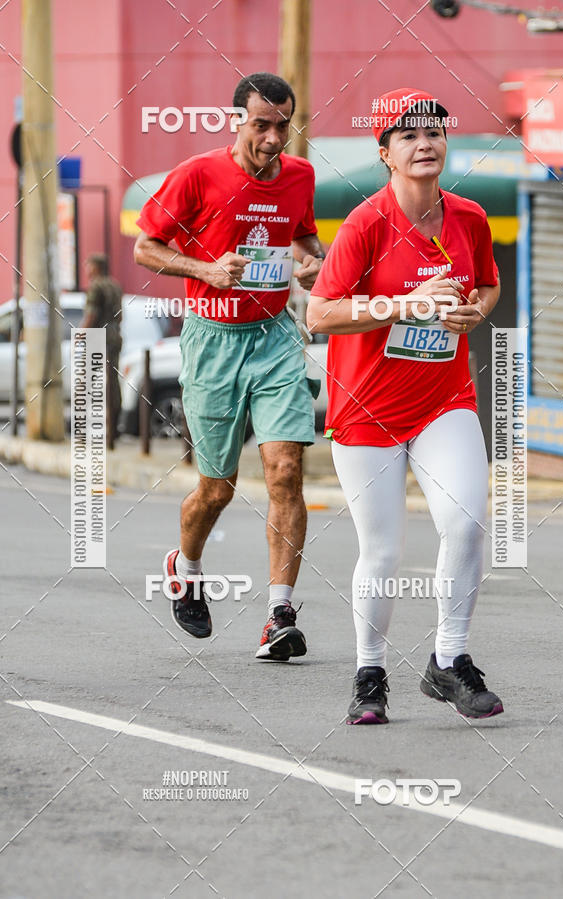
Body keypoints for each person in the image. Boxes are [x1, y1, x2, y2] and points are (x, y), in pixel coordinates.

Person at [308, 88, 504, 723]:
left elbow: (490, 285)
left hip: (443, 399)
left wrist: (473, 311)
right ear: (386, 152)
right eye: (409, 136)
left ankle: (449, 660)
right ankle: (370, 674)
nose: (425, 144)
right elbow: (321, 313)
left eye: (434, 134)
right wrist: (405, 306)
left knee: (467, 520)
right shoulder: (367, 224)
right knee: (384, 552)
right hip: (367, 409)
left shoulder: (470, 218)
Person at [134, 72, 325, 659]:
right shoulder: (198, 174)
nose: (273, 138)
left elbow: (303, 239)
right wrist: (206, 269)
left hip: (272, 337)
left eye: (282, 125)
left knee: (286, 469)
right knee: (217, 489)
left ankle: (279, 615)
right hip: (212, 338)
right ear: (236, 120)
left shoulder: (300, 175)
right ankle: (185, 564)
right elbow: (146, 247)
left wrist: (311, 262)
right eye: (261, 124)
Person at [81, 253, 122, 449]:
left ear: (96, 268)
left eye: (89, 266)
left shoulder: (96, 286)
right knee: (112, 384)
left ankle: (98, 431)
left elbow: (91, 314)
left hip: (98, 339)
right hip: (114, 337)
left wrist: (80, 336)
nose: (86, 270)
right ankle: (113, 429)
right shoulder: (115, 285)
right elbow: (120, 316)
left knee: (92, 385)